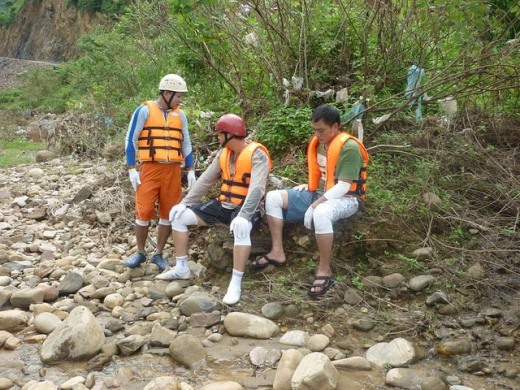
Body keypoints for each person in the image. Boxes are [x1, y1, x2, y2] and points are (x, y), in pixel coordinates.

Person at [156, 113, 272, 305]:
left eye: (219, 133)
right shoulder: (224, 153)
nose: (217, 137)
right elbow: (206, 180)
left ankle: (236, 282)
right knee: (179, 217)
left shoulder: (257, 154)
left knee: (242, 229)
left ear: (230, 134)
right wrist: (185, 202)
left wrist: (244, 215)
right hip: (224, 205)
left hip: (247, 208)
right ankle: (182, 267)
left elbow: (257, 188)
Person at [256, 104, 369, 298]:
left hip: (346, 199)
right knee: (273, 197)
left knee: (321, 212)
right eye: (315, 130)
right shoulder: (319, 143)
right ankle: (277, 252)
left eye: (322, 130)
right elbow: (324, 177)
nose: (318, 135)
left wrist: (315, 205)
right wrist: (308, 190)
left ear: (335, 127)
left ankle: (324, 270)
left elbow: (343, 186)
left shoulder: (349, 148)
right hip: (320, 193)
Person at [124, 74, 196, 272]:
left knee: (168, 213)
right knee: (144, 210)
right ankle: (140, 252)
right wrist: (131, 168)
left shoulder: (180, 115)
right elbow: (131, 139)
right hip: (150, 168)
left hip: (173, 170)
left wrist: (190, 170)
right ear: (167, 93)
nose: (181, 100)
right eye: (179, 96)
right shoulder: (144, 111)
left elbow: (186, 142)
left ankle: (158, 253)